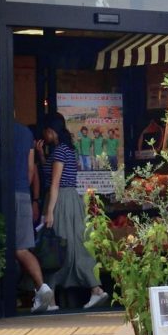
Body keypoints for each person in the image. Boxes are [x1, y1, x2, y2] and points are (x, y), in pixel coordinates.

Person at [37, 109, 100, 310]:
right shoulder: (67, 149)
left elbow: (54, 183)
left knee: (56, 247)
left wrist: (49, 212)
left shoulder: (59, 151)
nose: (44, 137)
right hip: (72, 199)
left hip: (61, 200)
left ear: (51, 131)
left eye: (46, 132)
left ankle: (52, 300)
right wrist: (40, 155)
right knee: (73, 246)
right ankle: (94, 289)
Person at [9, 118, 52, 313]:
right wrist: (29, 194)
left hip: (8, 194)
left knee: (18, 249)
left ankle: (41, 288)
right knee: (22, 246)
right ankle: (40, 290)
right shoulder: (25, 133)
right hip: (22, 192)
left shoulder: (0, 129)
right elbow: (30, 168)